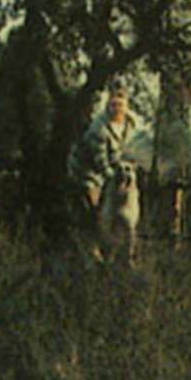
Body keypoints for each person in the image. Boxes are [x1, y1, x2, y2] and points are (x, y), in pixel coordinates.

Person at [66, 80, 136, 253]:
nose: (117, 107)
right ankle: (91, 250)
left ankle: (117, 248)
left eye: (121, 103)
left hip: (107, 169)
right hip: (86, 172)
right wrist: (116, 178)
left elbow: (121, 154)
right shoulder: (99, 129)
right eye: (114, 103)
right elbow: (101, 163)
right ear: (108, 104)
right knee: (93, 208)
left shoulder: (128, 124)